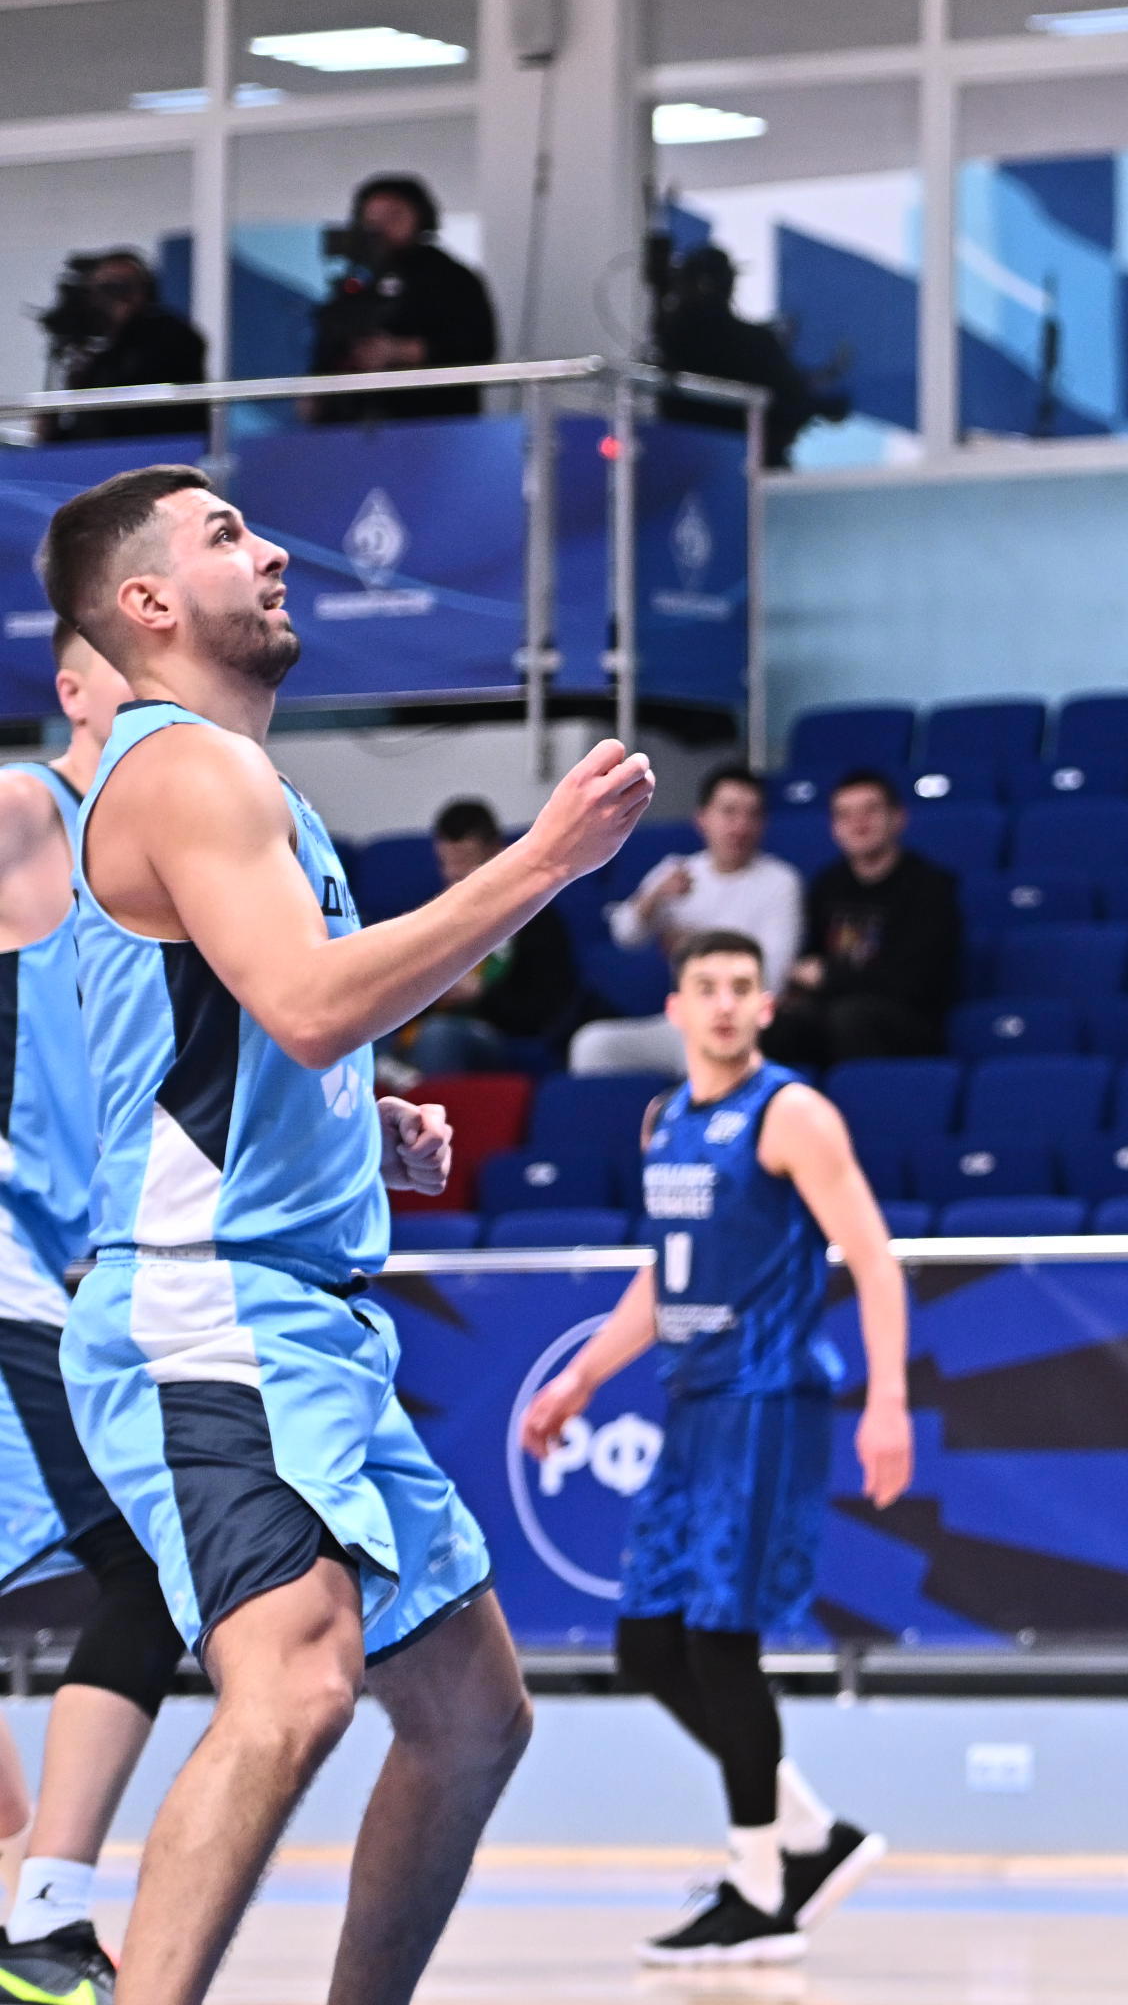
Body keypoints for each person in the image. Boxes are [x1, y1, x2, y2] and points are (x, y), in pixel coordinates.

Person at [38, 460, 654, 2005]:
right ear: (148, 602)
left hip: (300, 1309)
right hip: (209, 1309)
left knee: (472, 1719)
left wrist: (358, 1130)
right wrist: (545, 861)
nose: (274, 552)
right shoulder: (184, 768)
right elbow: (313, 1006)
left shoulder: (257, 789)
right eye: (227, 534)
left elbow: (229, 1041)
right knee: (299, 1679)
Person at [518, 928, 909, 1964]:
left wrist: (889, 1402)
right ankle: (810, 1836)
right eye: (708, 987)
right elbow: (666, 1275)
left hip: (766, 1399)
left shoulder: (792, 1112)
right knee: (646, 1647)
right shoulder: (665, 1120)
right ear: (677, 1008)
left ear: (767, 1006)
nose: (727, 1002)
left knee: (719, 1639)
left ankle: (761, 1887)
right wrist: (581, 1377)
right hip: (691, 1402)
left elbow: (874, 1260)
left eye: (743, 986)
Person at [0, 627, 189, 2004]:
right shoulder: (29, 807)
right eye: (131, 661)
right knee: (145, 1562)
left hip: (95, 1264)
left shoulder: (179, 851)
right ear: (72, 689)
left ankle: (29, 1893)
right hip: (16, 1257)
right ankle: (48, 1913)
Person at [573, 763, 806, 1074]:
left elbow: (772, 977)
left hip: (737, 1023)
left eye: (752, 815)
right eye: (729, 812)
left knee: (704, 1052)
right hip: (681, 1021)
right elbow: (626, 934)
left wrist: (697, 947)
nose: (741, 826)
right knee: (592, 1045)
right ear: (702, 819)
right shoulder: (679, 871)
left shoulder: (781, 881)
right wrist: (654, 898)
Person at [762, 772, 961, 1072]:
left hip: (907, 1022)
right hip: (833, 1012)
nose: (858, 822)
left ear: (898, 818)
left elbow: (915, 981)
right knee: (775, 1023)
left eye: (870, 810)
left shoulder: (931, 887)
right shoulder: (828, 884)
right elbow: (810, 960)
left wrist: (830, 977)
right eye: (845, 814)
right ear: (834, 828)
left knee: (850, 1017)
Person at [387, 796, 584, 1077]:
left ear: (496, 854)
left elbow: (545, 1010)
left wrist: (481, 995)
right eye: (445, 863)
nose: (454, 873)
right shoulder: (434, 914)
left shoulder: (535, 917)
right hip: (420, 1027)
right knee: (357, 1031)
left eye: (466, 863)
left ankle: (416, 1093)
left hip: (496, 1032)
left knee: (438, 1036)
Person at [305, 176, 499, 424]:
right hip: (352, 427)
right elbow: (330, 343)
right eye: (372, 219)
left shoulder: (451, 277)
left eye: (393, 216)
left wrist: (402, 351)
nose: (381, 228)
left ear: (420, 217)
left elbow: (479, 345)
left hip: (433, 422)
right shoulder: (356, 281)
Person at [650, 241, 837, 471]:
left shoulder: (676, 339)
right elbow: (792, 401)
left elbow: (790, 401)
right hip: (722, 468)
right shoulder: (753, 342)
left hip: (707, 466)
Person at [40, 249, 211, 445]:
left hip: (160, 449)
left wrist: (123, 324)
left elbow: (147, 377)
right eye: (102, 288)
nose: (112, 297)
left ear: (145, 291)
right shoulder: (98, 359)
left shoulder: (170, 332)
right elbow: (88, 430)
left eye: (121, 287)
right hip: (101, 454)